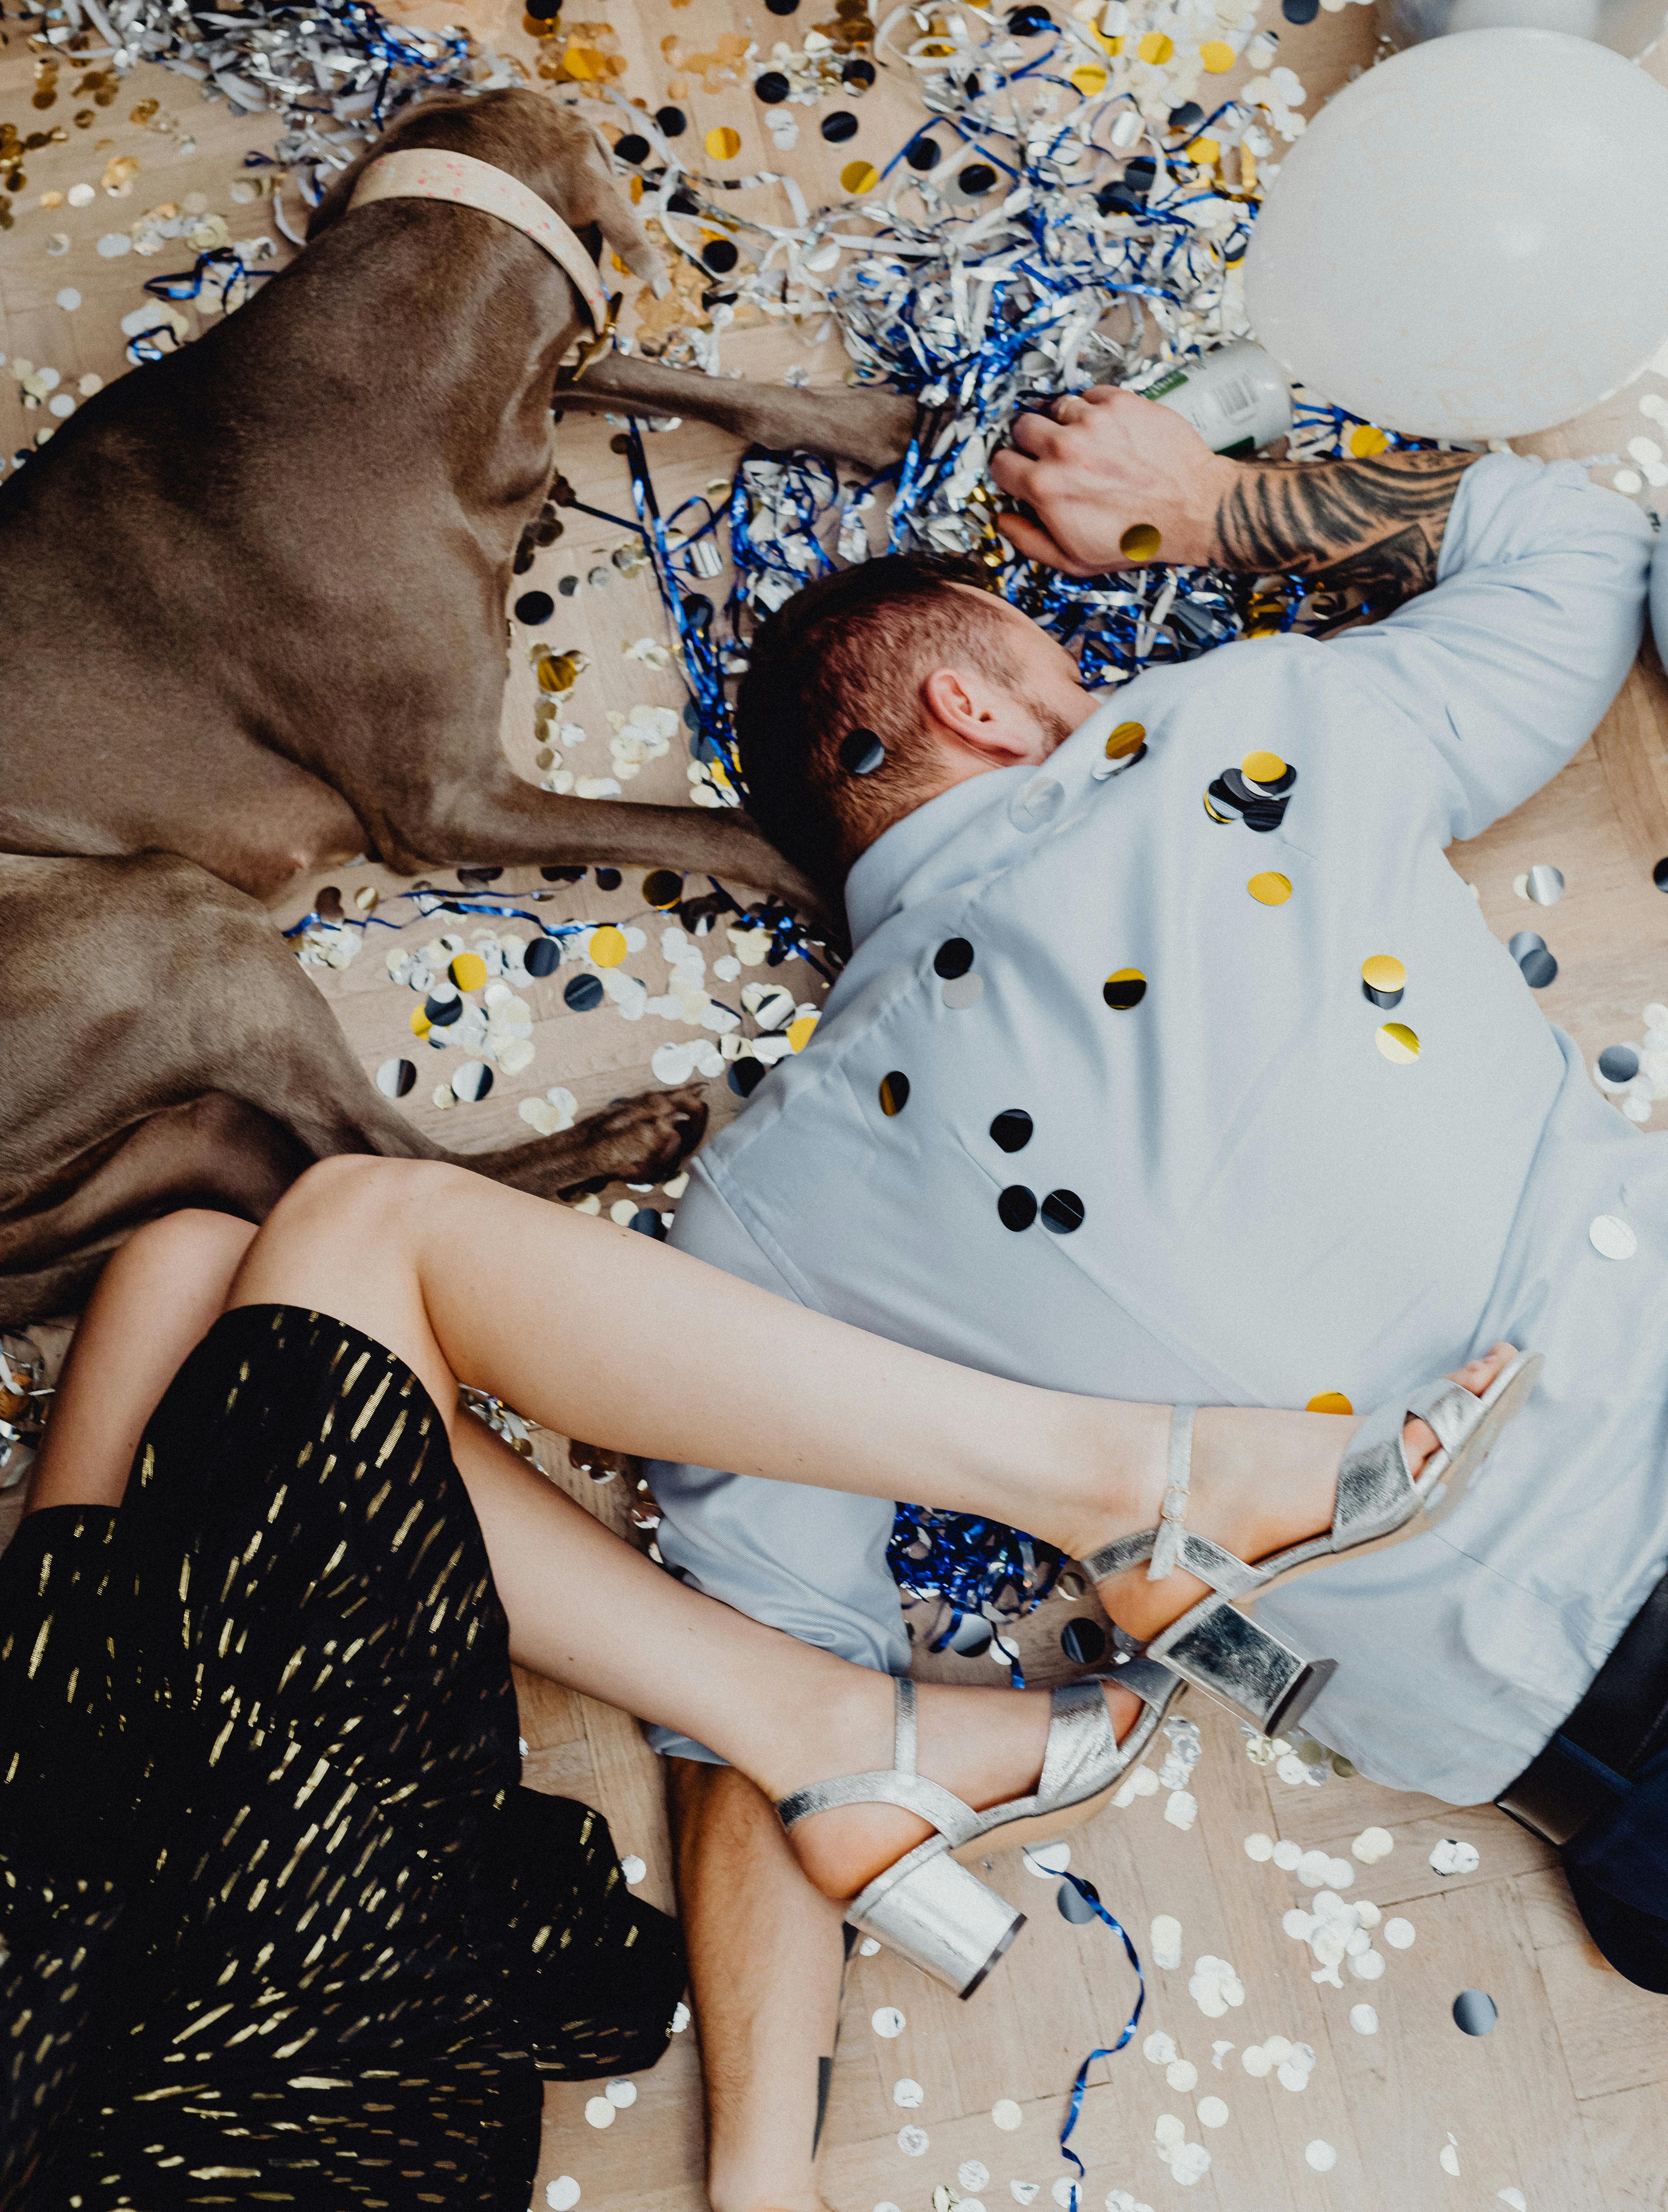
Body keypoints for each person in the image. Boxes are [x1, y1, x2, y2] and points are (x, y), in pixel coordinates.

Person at [644, 387, 1664, 2209]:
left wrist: (758, 2172)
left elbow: (770, 1709)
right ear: (972, 703)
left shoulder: (761, 1221)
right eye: (1054, 657)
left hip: (1599, 1755)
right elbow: (1577, 544)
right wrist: (1200, 509)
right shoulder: (1228, 732)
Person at [0, 1156, 1502, 2208]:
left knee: (196, 1275)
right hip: (234, 2140)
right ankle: (1133, 1494)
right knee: (356, 1235)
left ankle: (834, 1733)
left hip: (61, 2003)